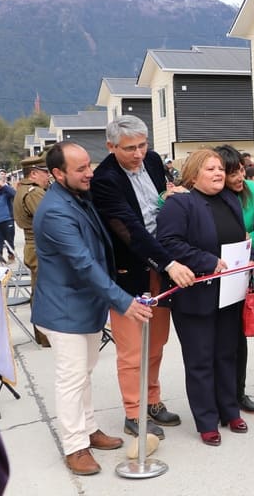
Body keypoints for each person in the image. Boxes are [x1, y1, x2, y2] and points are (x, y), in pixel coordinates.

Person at [31, 141, 153, 475]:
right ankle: (75, 446)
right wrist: (124, 301)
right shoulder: (55, 211)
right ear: (58, 174)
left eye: (90, 165)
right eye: (81, 169)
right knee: (71, 379)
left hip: (86, 306)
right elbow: (84, 264)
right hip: (64, 311)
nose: (90, 173)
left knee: (83, 374)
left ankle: (88, 428)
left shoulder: (78, 197)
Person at [91, 116, 194, 441]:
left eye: (142, 145)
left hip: (161, 266)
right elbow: (130, 230)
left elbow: (159, 201)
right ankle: (134, 412)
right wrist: (169, 263)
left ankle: (152, 400)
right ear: (111, 147)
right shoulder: (104, 180)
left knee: (156, 342)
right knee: (132, 348)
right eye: (129, 148)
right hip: (130, 271)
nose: (138, 154)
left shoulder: (152, 160)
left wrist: (172, 197)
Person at [157, 149, 250, 446]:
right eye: (210, 169)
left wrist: (245, 254)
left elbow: (237, 237)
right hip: (195, 296)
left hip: (228, 292)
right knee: (200, 360)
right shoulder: (180, 204)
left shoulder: (231, 200)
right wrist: (206, 261)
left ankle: (229, 410)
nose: (218, 173)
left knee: (227, 354)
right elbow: (167, 243)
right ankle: (207, 420)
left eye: (220, 168)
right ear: (193, 174)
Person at [215, 145, 254, 415]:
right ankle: (217, 396)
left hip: (241, 267)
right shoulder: (208, 194)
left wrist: (249, 239)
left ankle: (239, 392)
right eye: (232, 173)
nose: (239, 178)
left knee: (238, 336)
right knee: (216, 338)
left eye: (241, 171)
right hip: (213, 269)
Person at [12, 151, 51, 347]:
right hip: (40, 246)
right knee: (45, 293)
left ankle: (44, 335)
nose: (48, 176)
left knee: (40, 291)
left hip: (34, 245)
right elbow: (49, 219)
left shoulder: (24, 189)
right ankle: (46, 336)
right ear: (34, 173)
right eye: (45, 172)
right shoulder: (34, 193)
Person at [0, 169, 16, 263]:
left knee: (10, 240)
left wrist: (3, 185)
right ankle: (0, 261)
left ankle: (11, 256)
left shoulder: (6, 189)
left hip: (7, 219)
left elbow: (15, 194)